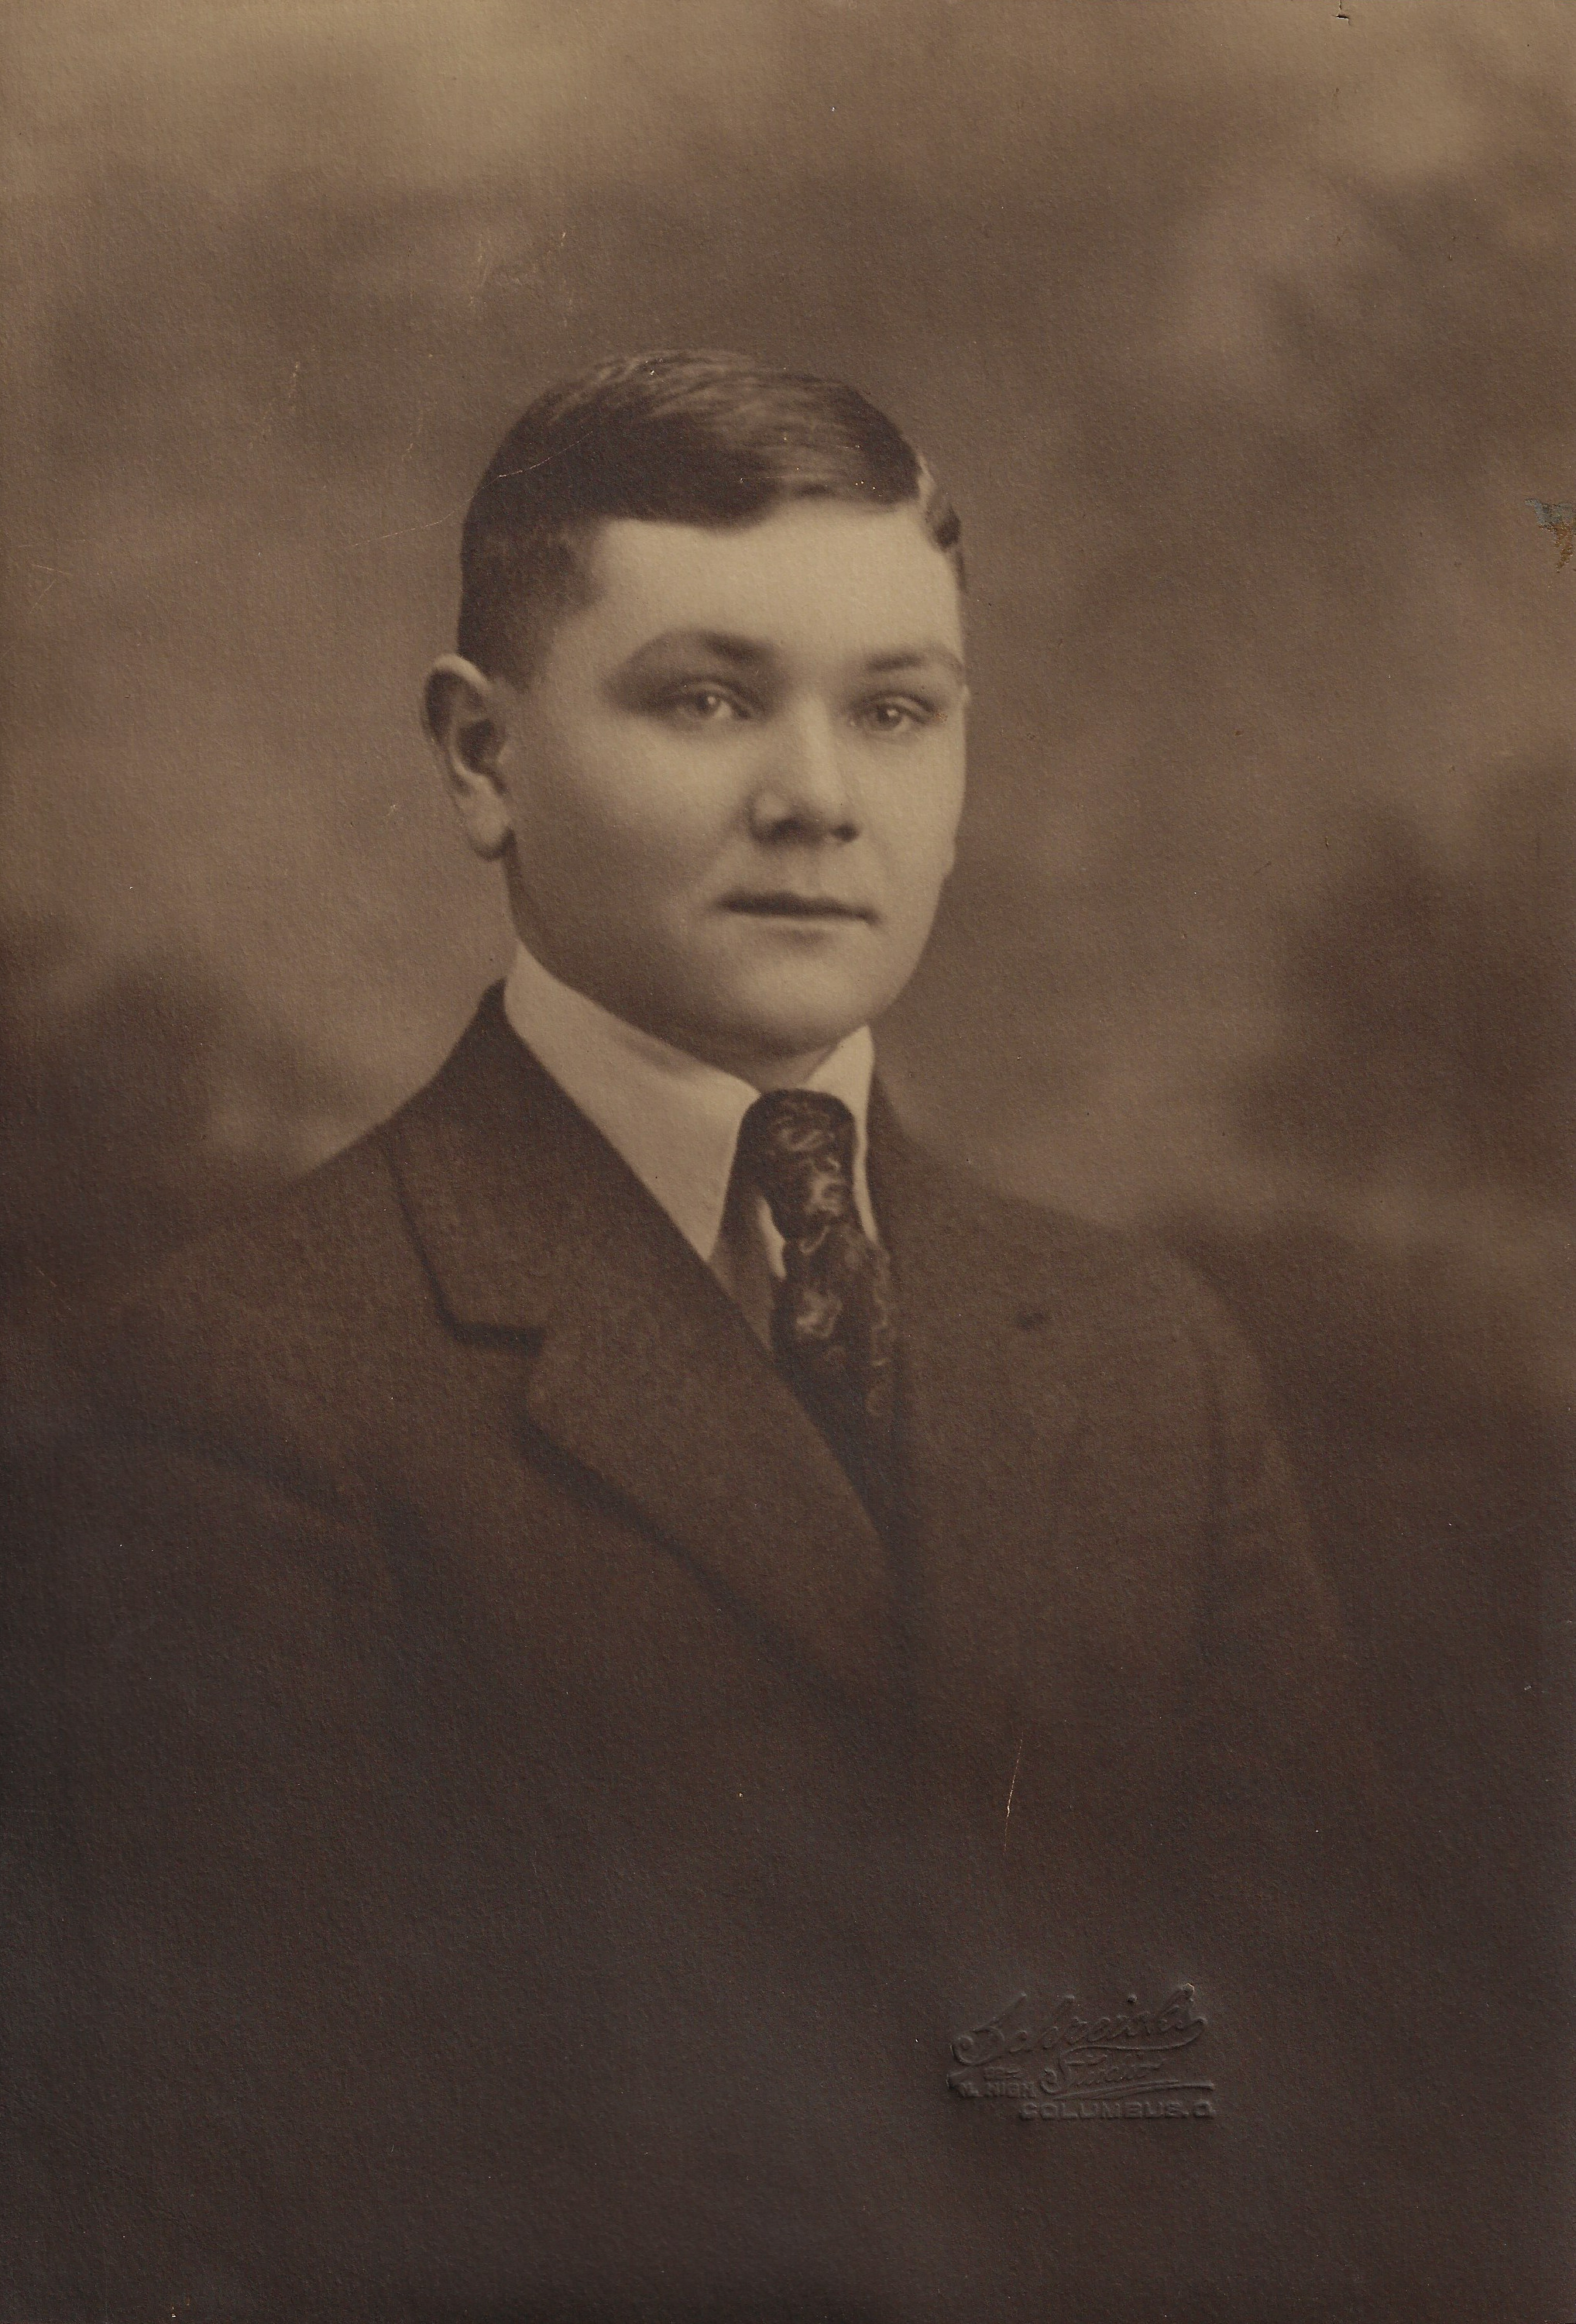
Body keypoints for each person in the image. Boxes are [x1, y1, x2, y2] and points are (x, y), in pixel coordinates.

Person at [8, 352, 1382, 2321]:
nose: (817, 797)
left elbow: (1316, 2068)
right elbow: (270, 2178)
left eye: (895, 710)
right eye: (707, 698)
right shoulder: (244, 1386)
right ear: (481, 757)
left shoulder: (1145, 1354)